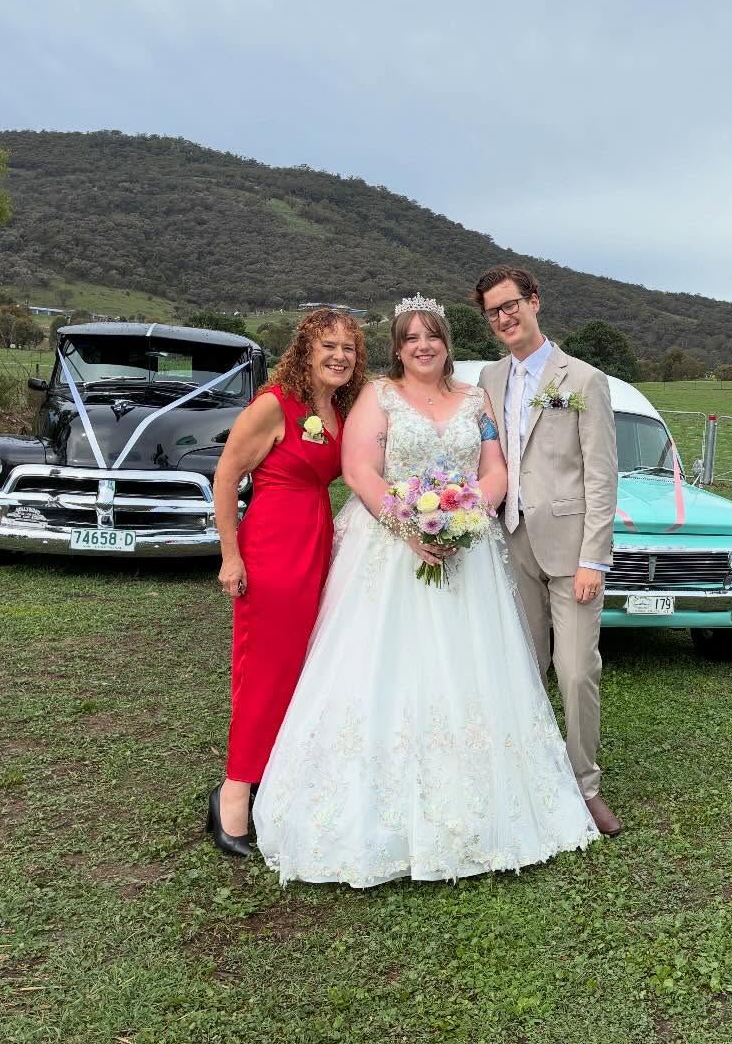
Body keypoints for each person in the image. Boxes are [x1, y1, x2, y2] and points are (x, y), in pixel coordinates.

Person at [252, 295, 599, 886]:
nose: (422, 346)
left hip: (468, 553)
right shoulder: (376, 396)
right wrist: (410, 526)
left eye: (431, 336)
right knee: (380, 667)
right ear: (397, 347)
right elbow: (361, 470)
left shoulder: (476, 400)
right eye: (410, 337)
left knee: (473, 669)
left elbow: (495, 469)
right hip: (389, 551)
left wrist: (467, 516)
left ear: (446, 342)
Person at [207, 309, 365, 857]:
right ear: (305, 349)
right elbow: (226, 475)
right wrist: (231, 555)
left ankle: (273, 778)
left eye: (348, 346)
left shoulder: (338, 406)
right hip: (272, 545)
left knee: (300, 667)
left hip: (316, 541)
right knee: (265, 671)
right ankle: (232, 794)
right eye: (328, 345)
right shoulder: (276, 402)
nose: (340, 355)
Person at [475, 265, 622, 835]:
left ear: (534, 302)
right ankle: (530, 776)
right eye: (493, 312)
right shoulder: (489, 379)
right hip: (510, 542)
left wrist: (594, 560)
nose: (505, 317)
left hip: (571, 551)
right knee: (525, 665)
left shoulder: (582, 380)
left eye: (512, 305)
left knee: (577, 670)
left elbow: (601, 477)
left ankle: (585, 787)